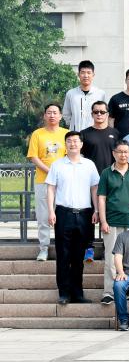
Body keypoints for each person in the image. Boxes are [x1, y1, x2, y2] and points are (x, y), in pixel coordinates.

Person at [45, 131, 99, 304]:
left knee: (78, 256)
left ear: (81, 144)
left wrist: (97, 210)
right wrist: (51, 211)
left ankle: (77, 293)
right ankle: (64, 293)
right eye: (69, 141)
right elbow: (51, 189)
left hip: (84, 214)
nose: (73, 144)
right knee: (63, 255)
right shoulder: (57, 165)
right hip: (63, 213)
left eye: (76, 141)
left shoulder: (89, 165)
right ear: (65, 144)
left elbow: (94, 189)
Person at [98, 140, 129, 305]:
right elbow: (102, 198)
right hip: (112, 222)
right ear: (114, 153)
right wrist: (103, 221)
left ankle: (128, 291)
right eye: (120, 152)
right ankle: (109, 292)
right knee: (111, 258)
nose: (123, 155)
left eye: (126, 152)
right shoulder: (106, 173)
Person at [27, 103, 67, 261]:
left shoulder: (66, 133)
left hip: (63, 182)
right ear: (44, 115)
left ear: (60, 116)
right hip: (42, 180)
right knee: (43, 216)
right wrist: (50, 171)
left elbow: (70, 155)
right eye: (49, 112)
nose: (52, 115)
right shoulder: (37, 134)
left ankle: (62, 248)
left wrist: (59, 173)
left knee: (62, 217)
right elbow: (33, 156)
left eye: (55, 112)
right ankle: (43, 248)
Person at [63, 60, 107, 132]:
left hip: (94, 133)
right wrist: (74, 126)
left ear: (93, 75)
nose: (86, 76)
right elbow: (66, 114)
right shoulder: (71, 93)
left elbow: (104, 114)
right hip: (76, 133)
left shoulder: (100, 94)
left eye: (89, 73)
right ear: (78, 74)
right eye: (83, 72)